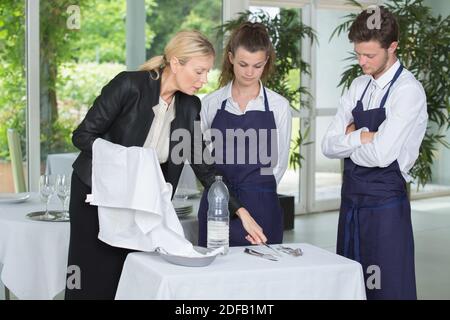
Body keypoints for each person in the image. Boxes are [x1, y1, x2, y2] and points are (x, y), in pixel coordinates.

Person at [65, 30, 261, 300]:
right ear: (176, 63)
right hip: (97, 195)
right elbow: (82, 135)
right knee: (92, 277)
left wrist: (241, 212)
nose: (205, 80)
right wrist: (131, 162)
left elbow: (204, 166)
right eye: (199, 71)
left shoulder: (190, 106)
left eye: (207, 73)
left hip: (141, 200)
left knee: (135, 275)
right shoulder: (129, 85)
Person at [322, 7, 427, 300]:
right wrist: (364, 136)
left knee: (387, 290)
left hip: (386, 211)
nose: (362, 62)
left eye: (369, 55)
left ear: (392, 47)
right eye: (358, 54)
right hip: (351, 205)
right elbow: (328, 145)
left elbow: (381, 157)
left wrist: (349, 139)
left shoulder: (407, 92)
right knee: (351, 288)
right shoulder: (357, 86)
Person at [198, 22, 292, 246]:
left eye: (257, 65)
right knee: (216, 275)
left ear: (266, 61)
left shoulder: (279, 106)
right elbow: (202, 160)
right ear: (230, 58)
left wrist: (260, 187)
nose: (250, 72)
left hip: (262, 205)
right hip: (218, 205)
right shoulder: (210, 103)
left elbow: (278, 163)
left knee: (262, 276)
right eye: (243, 64)